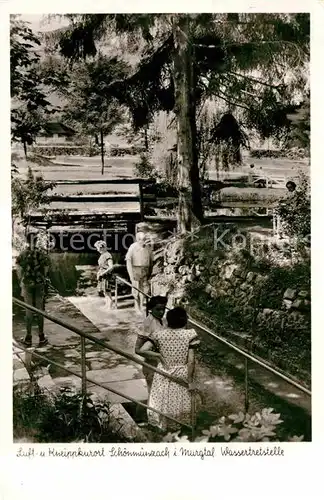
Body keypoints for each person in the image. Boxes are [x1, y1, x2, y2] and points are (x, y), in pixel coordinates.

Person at [139, 306, 200, 431]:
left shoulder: (159, 335)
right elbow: (191, 361)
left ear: (168, 321)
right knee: (180, 399)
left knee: (163, 397)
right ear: (184, 320)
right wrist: (190, 380)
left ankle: (163, 425)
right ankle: (180, 425)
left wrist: (158, 355)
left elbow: (142, 350)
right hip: (181, 372)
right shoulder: (190, 334)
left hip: (163, 371)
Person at [16, 234, 51, 347]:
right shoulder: (41, 253)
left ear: (26, 241)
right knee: (40, 309)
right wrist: (43, 277)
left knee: (28, 310)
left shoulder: (23, 254)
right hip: (39, 283)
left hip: (27, 284)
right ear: (36, 241)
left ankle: (28, 337)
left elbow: (19, 269)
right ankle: (41, 336)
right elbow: (46, 268)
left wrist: (21, 280)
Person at [135, 295, 168, 392]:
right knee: (154, 395)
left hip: (163, 364)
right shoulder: (147, 324)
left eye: (163, 309)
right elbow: (137, 350)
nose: (161, 312)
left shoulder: (162, 320)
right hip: (152, 366)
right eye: (158, 309)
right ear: (151, 309)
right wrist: (157, 356)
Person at [125, 231, 153, 313]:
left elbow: (151, 260)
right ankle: (136, 306)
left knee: (144, 289)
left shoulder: (148, 247)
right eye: (142, 239)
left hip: (145, 270)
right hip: (135, 270)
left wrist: (150, 272)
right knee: (136, 289)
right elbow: (128, 260)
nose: (144, 241)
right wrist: (130, 274)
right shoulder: (133, 247)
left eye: (145, 239)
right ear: (138, 239)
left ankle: (141, 305)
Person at [94, 240, 114, 309]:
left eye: (97, 248)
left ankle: (110, 306)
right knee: (105, 291)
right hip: (102, 276)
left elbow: (111, 266)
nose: (97, 250)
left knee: (108, 292)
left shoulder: (107, 255)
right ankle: (107, 304)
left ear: (101, 247)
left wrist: (103, 273)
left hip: (106, 276)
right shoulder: (102, 255)